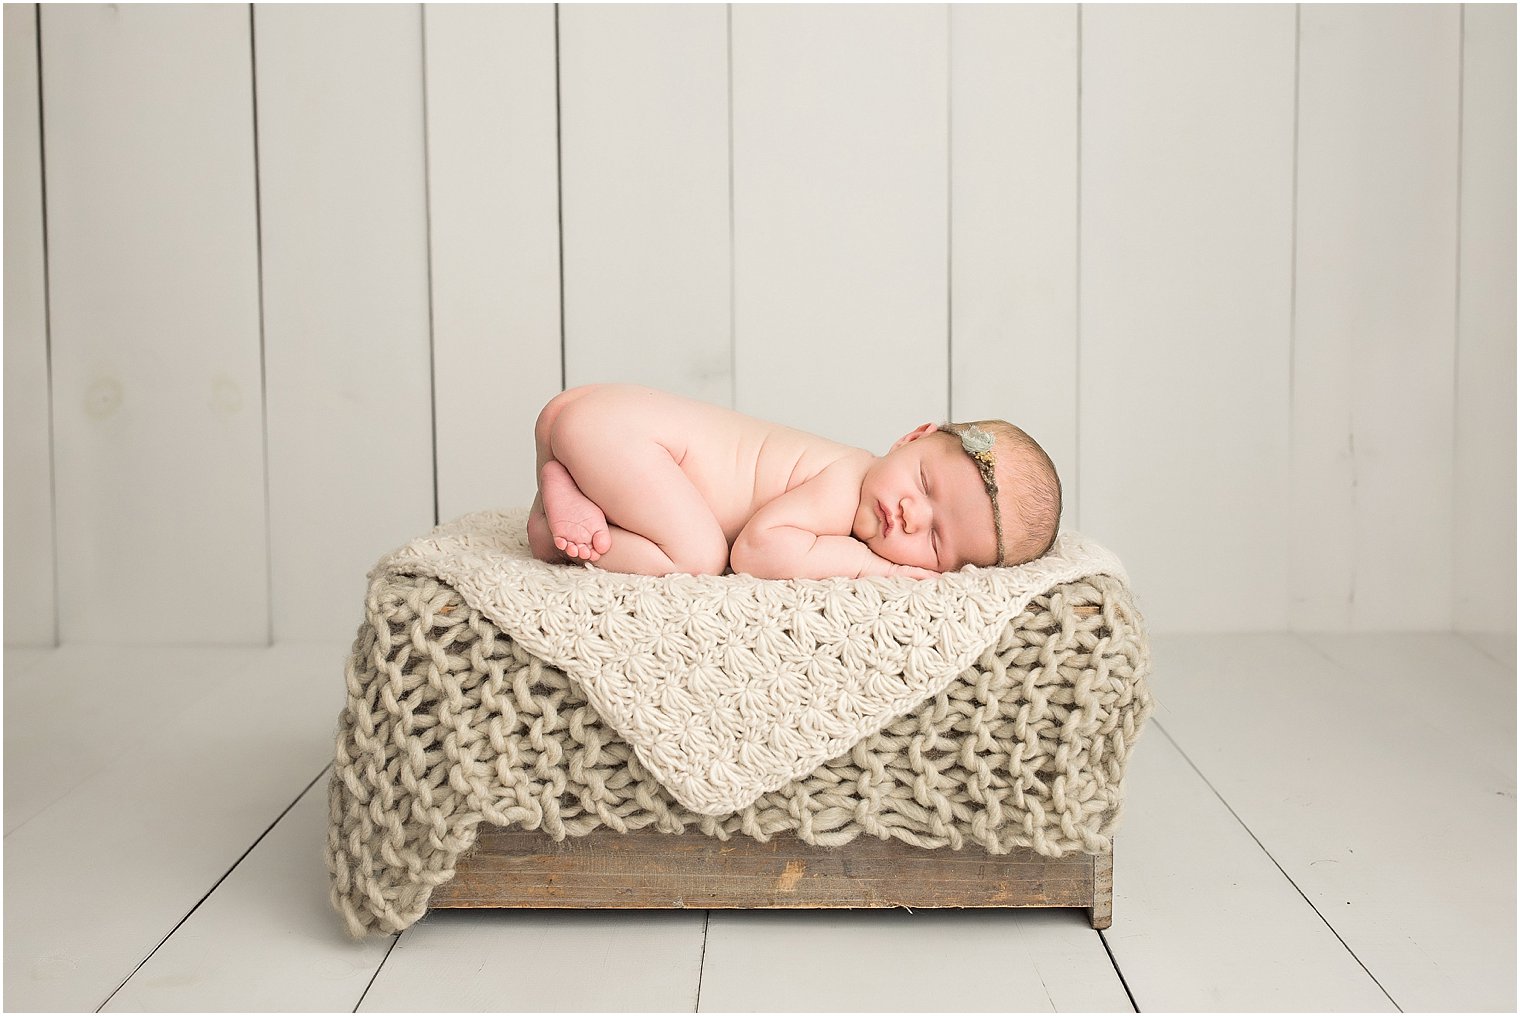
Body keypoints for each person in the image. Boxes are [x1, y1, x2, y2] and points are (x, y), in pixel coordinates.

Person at [526, 383, 1061, 580]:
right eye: (924, 482)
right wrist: (872, 566)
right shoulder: (846, 479)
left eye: (935, 541)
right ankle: (563, 526)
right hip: (625, 436)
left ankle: (567, 501)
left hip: (606, 423)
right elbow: (758, 552)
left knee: (674, 529)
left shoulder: (853, 479)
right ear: (911, 437)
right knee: (699, 556)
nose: (910, 514)